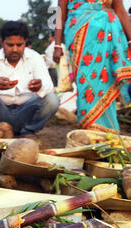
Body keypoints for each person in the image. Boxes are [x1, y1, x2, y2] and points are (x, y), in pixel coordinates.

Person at [0, 21, 59, 138]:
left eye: (19, 45)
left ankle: (28, 132)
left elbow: (49, 85)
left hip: (26, 111)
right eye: (10, 45)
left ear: (25, 42)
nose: (15, 49)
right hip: (0, 113)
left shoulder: (34, 57)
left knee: (52, 100)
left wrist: (40, 86)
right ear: (2, 42)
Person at [54, 0, 131, 133]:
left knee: (106, 82)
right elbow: (60, 12)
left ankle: (108, 131)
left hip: (107, 36)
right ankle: (88, 130)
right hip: (79, 34)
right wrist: (57, 44)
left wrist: (130, 39)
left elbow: (120, 11)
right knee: (86, 84)